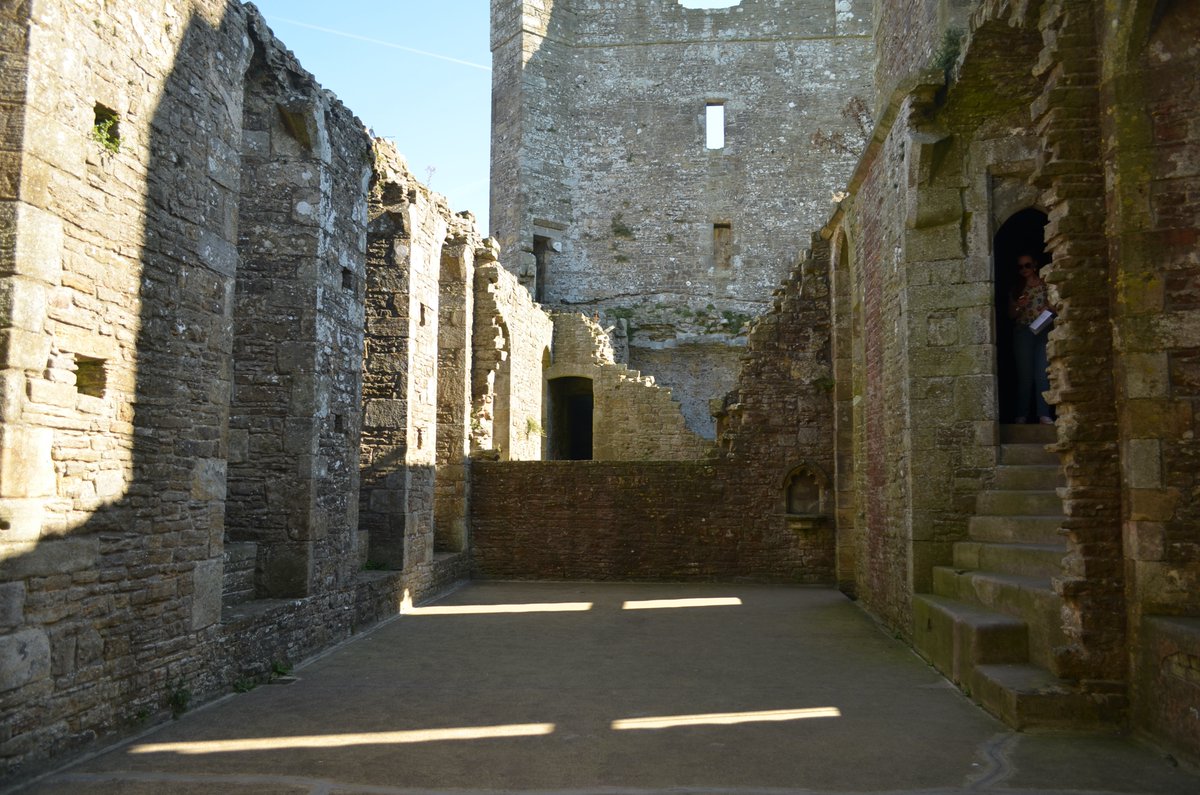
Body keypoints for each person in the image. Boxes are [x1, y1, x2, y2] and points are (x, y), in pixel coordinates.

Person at [1008, 253, 1054, 424]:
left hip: (1043, 329)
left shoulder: (1046, 284)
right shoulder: (1017, 288)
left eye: (1027, 265)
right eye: (1020, 267)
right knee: (1025, 376)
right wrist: (1019, 306)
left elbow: (1056, 305)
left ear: (1035, 265)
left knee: (1043, 373)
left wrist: (1047, 308)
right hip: (1023, 331)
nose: (1024, 270)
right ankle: (1022, 414)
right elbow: (1010, 314)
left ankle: (1044, 414)